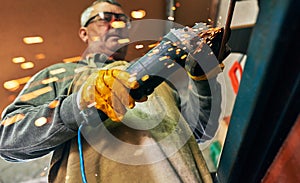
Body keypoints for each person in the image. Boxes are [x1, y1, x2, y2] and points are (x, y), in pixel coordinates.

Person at [0, 0, 227, 182]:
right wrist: (79, 104)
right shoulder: (60, 74)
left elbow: (199, 132)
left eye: (122, 21)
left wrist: (202, 79)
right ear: (84, 33)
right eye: (105, 19)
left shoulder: (159, 81)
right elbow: (7, 140)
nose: (115, 25)